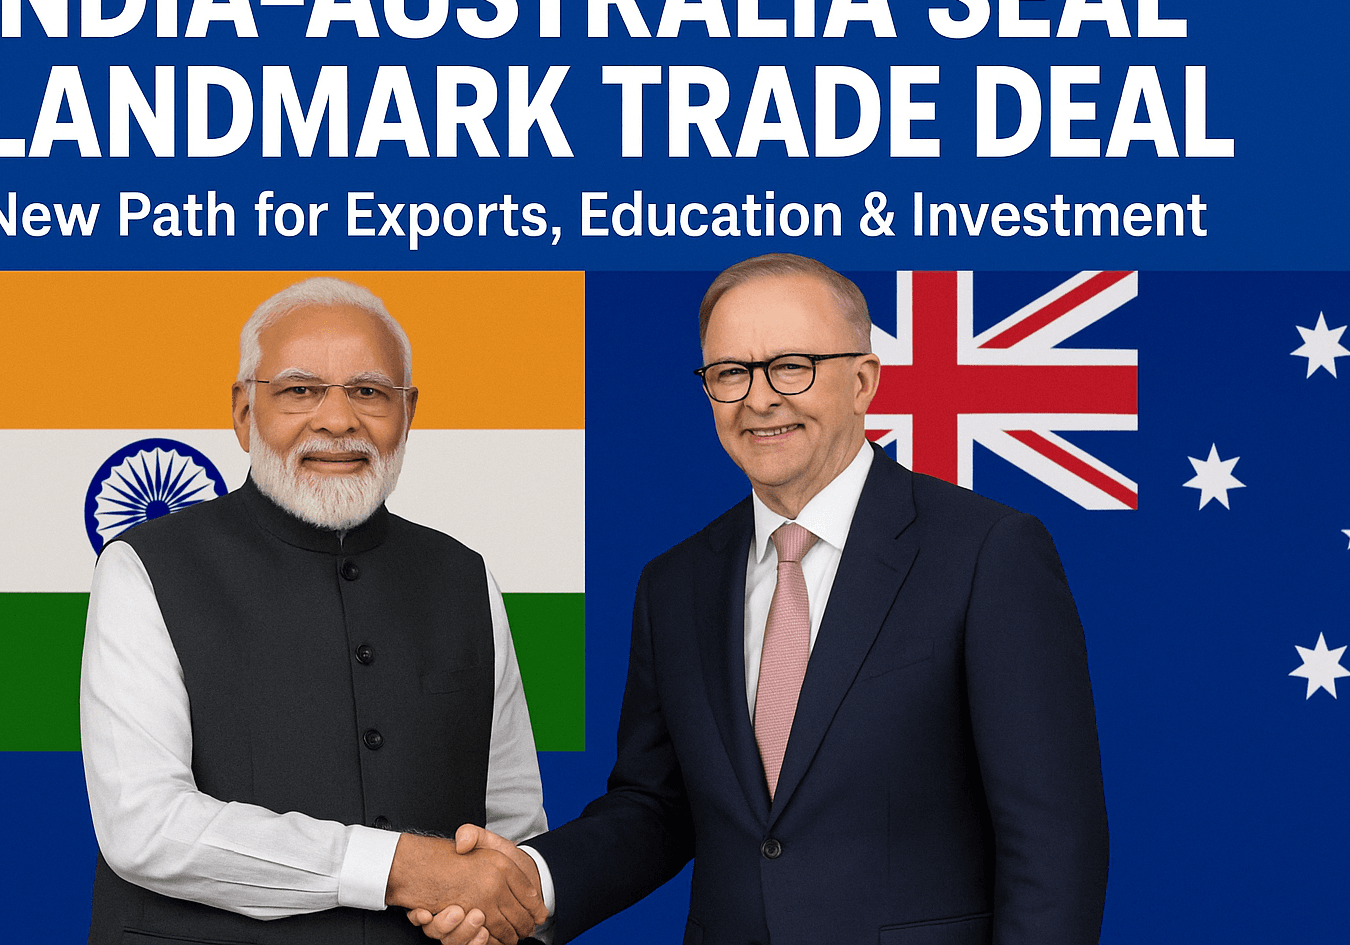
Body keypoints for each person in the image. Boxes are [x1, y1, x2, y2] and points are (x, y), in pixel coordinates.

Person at [416, 253, 1108, 945]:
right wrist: (533, 882)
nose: (760, 398)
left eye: (793, 366)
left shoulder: (988, 553)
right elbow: (657, 807)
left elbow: (1053, 842)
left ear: (864, 380)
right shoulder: (675, 583)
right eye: (731, 374)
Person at [80, 276, 550, 945]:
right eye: (300, 390)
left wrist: (499, 917)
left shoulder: (463, 576)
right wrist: (396, 866)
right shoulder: (144, 567)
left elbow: (514, 829)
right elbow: (145, 826)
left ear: (408, 414)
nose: (337, 420)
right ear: (243, 413)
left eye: (369, 391)